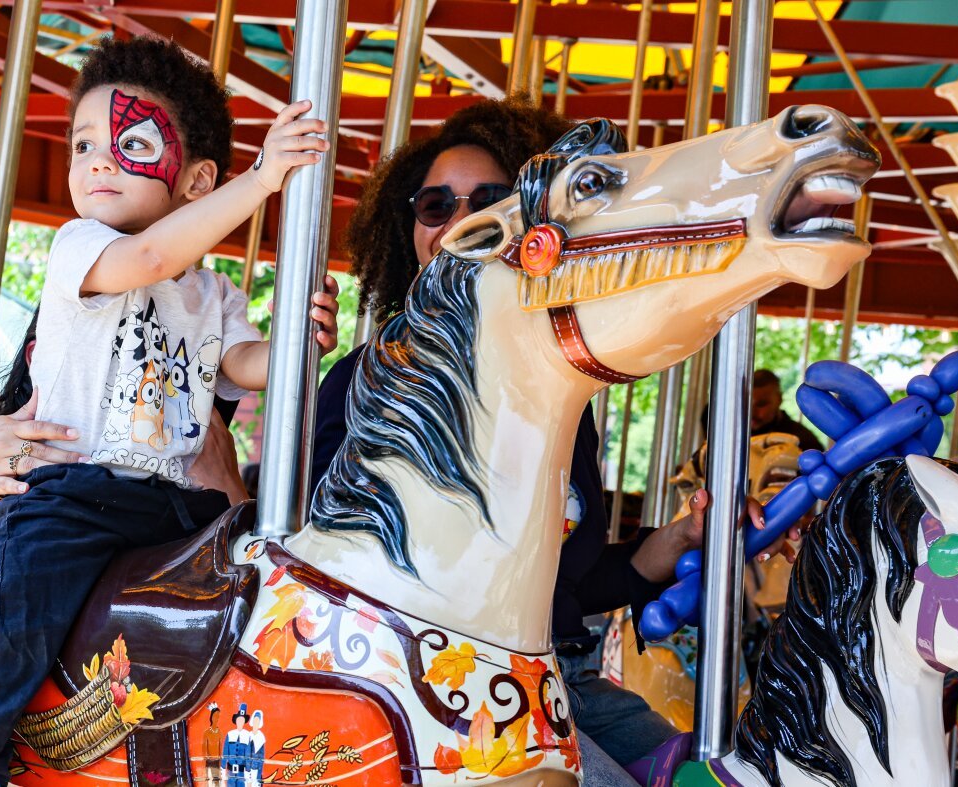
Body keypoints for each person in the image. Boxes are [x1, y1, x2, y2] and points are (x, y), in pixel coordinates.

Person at [309, 97, 776, 786]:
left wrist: (678, 539)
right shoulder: (365, 383)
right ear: (407, 227)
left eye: (490, 199)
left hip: (570, 679)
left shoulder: (555, 397)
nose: (460, 220)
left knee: (708, 774)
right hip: (441, 687)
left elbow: (574, 584)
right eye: (435, 204)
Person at [0, 36, 338, 787]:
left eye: (131, 144)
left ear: (194, 180)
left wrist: (298, 342)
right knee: (21, 598)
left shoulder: (213, 295)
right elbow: (147, 259)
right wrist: (264, 178)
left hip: (171, 502)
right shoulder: (81, 247)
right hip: (71, 491)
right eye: (83, 144)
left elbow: (243, 365)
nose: (98, 160)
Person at [750, 368, 823, 451]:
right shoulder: (735, 435)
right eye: (746, 405)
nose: (752, 413)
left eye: (761, 404)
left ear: (779, 399)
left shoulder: (802, 440)